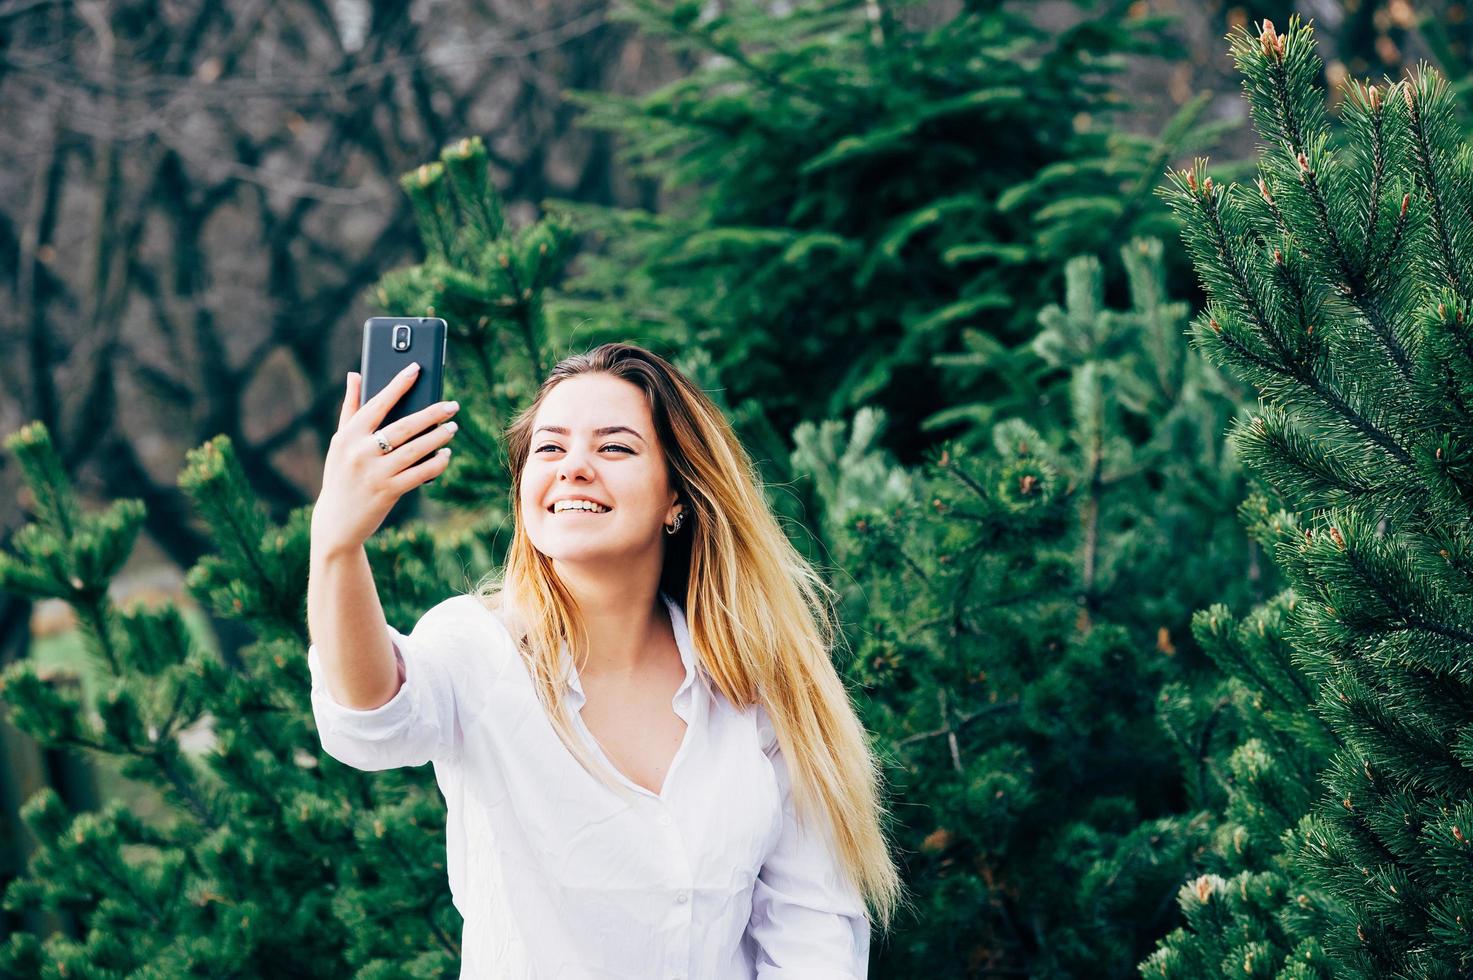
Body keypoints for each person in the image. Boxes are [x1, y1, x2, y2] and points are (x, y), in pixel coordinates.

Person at [306, 342, 906, 978]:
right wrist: (338, 545)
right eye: (550, 447)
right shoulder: (478, 648)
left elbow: (813, 932)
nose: (573, 468)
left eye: (614, 447)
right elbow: (369, 721)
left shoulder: (752, 685)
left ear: (679, 495)